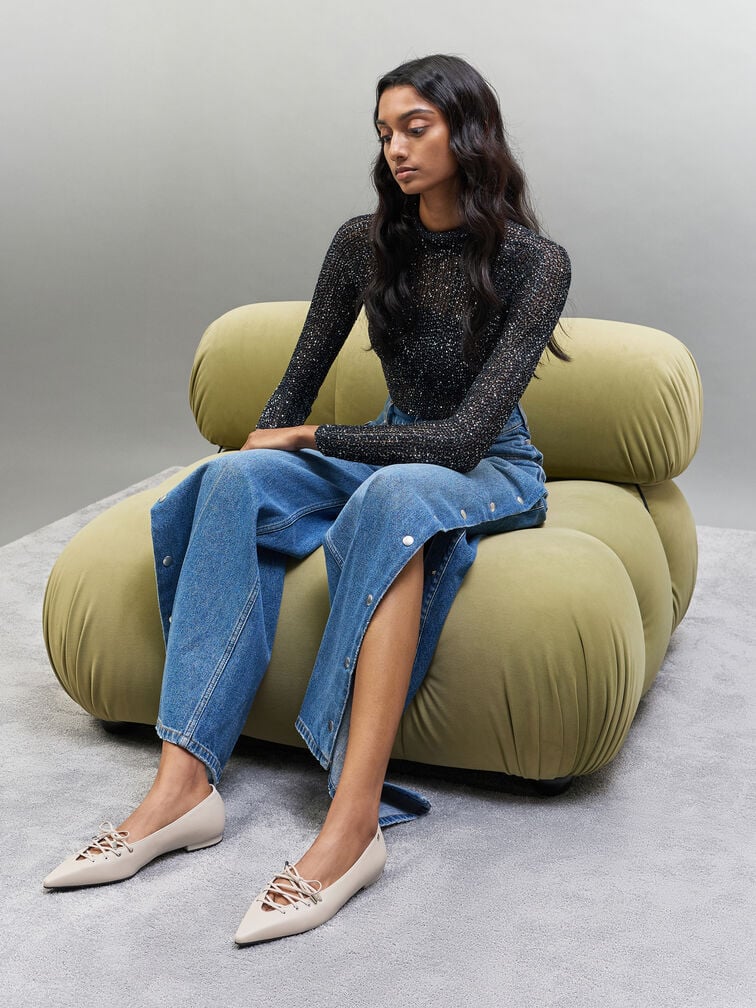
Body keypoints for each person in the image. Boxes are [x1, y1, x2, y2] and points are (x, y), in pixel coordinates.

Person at [44, 53, 571, 944]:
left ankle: (354, 828)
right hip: (390, 445)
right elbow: (291, 393)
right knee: (226, 479)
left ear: (468, 132)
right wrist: (265, 453)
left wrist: (317, 438)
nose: (396, 148)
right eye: (384, 132)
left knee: (397, 494)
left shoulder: (534, 262)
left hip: (489, 463)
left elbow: (462, 441)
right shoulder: (363, 244)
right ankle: (183, 787)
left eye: (416, 128)